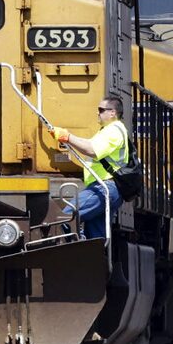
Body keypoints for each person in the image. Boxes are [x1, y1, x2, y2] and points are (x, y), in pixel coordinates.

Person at [50, 95, 129, 239]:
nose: (97, 113)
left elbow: (92, 150)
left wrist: (67, 137)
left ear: (113, 113)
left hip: (105, 188)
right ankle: (93, 258)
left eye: (101, 109)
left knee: (66, 217)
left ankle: (77, 249)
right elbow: (87, 143)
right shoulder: (107, 131)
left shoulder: (114, 130)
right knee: (96, 237)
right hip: (108, 189)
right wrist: (65, 136)